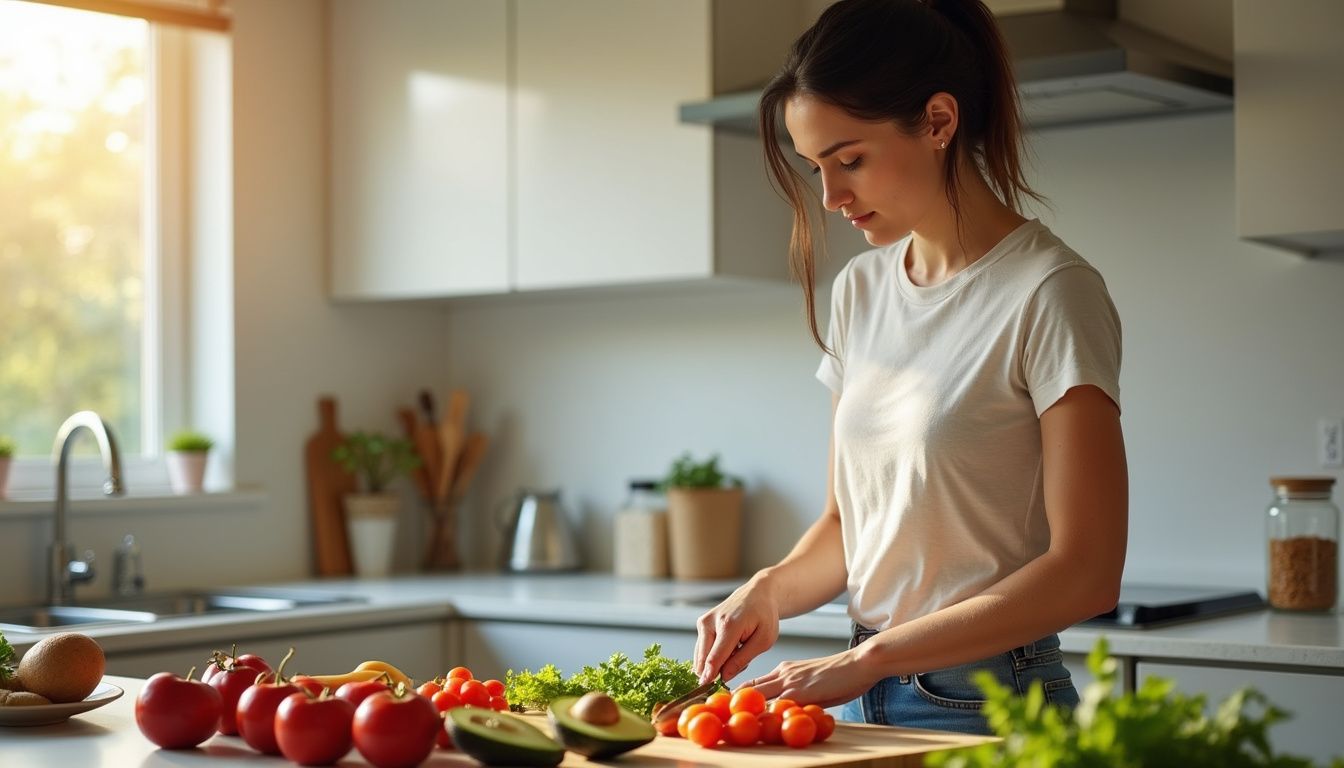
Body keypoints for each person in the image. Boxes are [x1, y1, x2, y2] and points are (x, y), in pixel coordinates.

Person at [691, 0, 1128, 736]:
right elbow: (845, 525)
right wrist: (764, 593)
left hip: (991, 704)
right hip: (862, 695)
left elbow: (1088, 571)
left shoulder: (1051, 291)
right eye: (816, 168)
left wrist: (871, 661)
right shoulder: (861, 290)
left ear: (938, 121)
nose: (829, 198)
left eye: (850, 159)